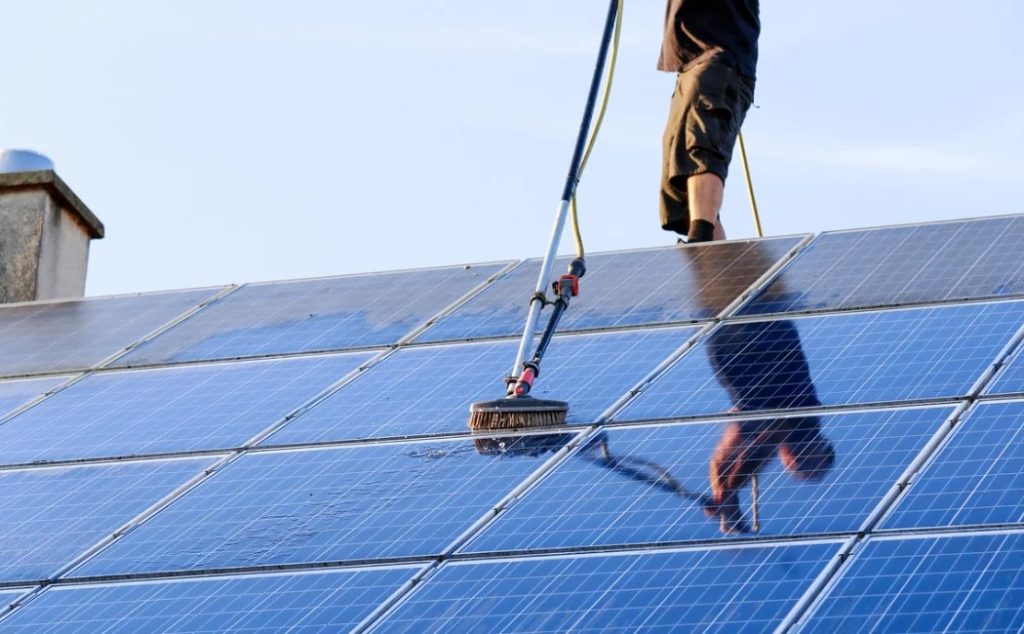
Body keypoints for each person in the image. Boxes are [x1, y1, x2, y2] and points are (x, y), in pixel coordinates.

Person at [702, 319, 836, 533]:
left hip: (735, 345)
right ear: (821, 445)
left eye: (794, 466)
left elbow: (723, 455)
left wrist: (724, 495)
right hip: (759, 340)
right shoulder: (806, 422)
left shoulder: (776, 430)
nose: (795, 461)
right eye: (804, 461)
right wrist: (730, 498)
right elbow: (766, 441)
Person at [659, 0, 759, 243]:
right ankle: (715, 266)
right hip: (690, 66)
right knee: (679, 175)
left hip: (719, 59)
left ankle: (701, 238)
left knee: (701, 148)